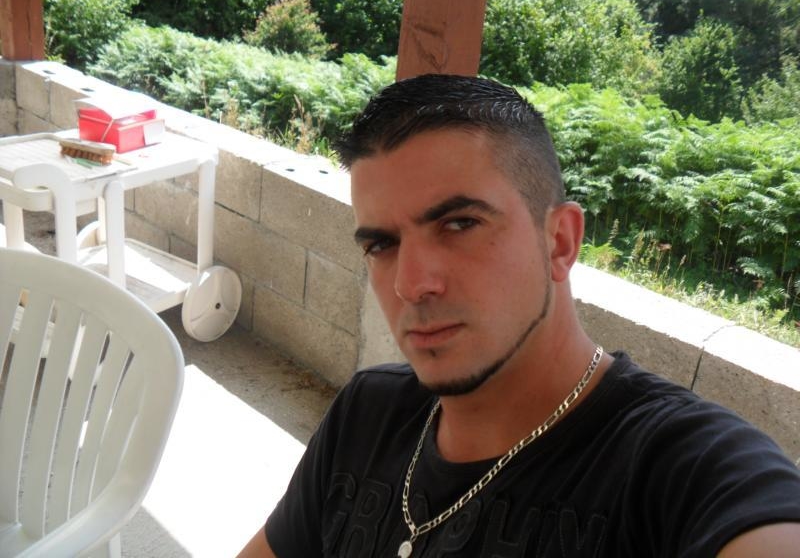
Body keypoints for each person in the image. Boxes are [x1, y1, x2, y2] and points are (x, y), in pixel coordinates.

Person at [237, 75, 800, 557]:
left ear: (559, 241)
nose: (410, 284)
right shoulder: (367, 414)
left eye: (459, 224)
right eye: (382, 244)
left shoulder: (682, 470)